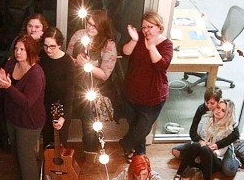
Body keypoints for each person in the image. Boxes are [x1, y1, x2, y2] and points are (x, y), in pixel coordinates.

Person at [0, 34, 46, 180]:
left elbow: (27, 102)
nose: (18, 52)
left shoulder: (36, 74)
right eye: (16, 49)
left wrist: (8, 86)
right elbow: (6, 90)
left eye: (22, 49)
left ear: (30, 51)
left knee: (26, 155)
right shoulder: (11, 64)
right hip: (13, 117)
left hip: (29, 121)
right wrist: (2, 83)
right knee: (16, 153)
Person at [119, 11, 173, 160]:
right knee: (135, 126)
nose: (146, 30)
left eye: (150, 27)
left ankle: (126, 144)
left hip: (153, 97)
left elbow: (161, 65)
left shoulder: (167, 44)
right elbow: (125, 52)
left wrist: (152, 47)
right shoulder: (138, 38)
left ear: (159, 28)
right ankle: (139, 152)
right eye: (144, 27)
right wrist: (135, 40)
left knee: (142, 128)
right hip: (130, 93)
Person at [67, 10, 117, 154]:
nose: (90, 28)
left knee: (89, 120)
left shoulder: (108, 45)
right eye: (89, 23)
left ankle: (90, 150)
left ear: (102, 27)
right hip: (73, 82)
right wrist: (76, 61)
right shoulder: (78, 35)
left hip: (92, 89)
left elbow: (104, 75)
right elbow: (68, 56)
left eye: (94, 26)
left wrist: (87, 66)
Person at [170, 98, 240, 180]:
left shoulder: (228, 128)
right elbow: (196, 135)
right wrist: (201, 143)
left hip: (213, 159)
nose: (218, 111)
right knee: (196, 145)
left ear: (227, 114)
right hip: (198, 154)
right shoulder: (205, 118)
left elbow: (223, 149)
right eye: (218, 107)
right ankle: (178, 174)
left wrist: (214, 150)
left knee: (206, 150)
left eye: (223, 111)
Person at [38, 28, 75, 155]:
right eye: (46, 46)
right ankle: (48, 169)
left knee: (60, 145)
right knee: (47, 141)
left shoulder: (67, 62)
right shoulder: (42, 56)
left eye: (52, 46)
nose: (48, 50)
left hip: (61, 106)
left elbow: (70, 93)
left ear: (59, 44)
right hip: (44, 105)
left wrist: (63, 117)